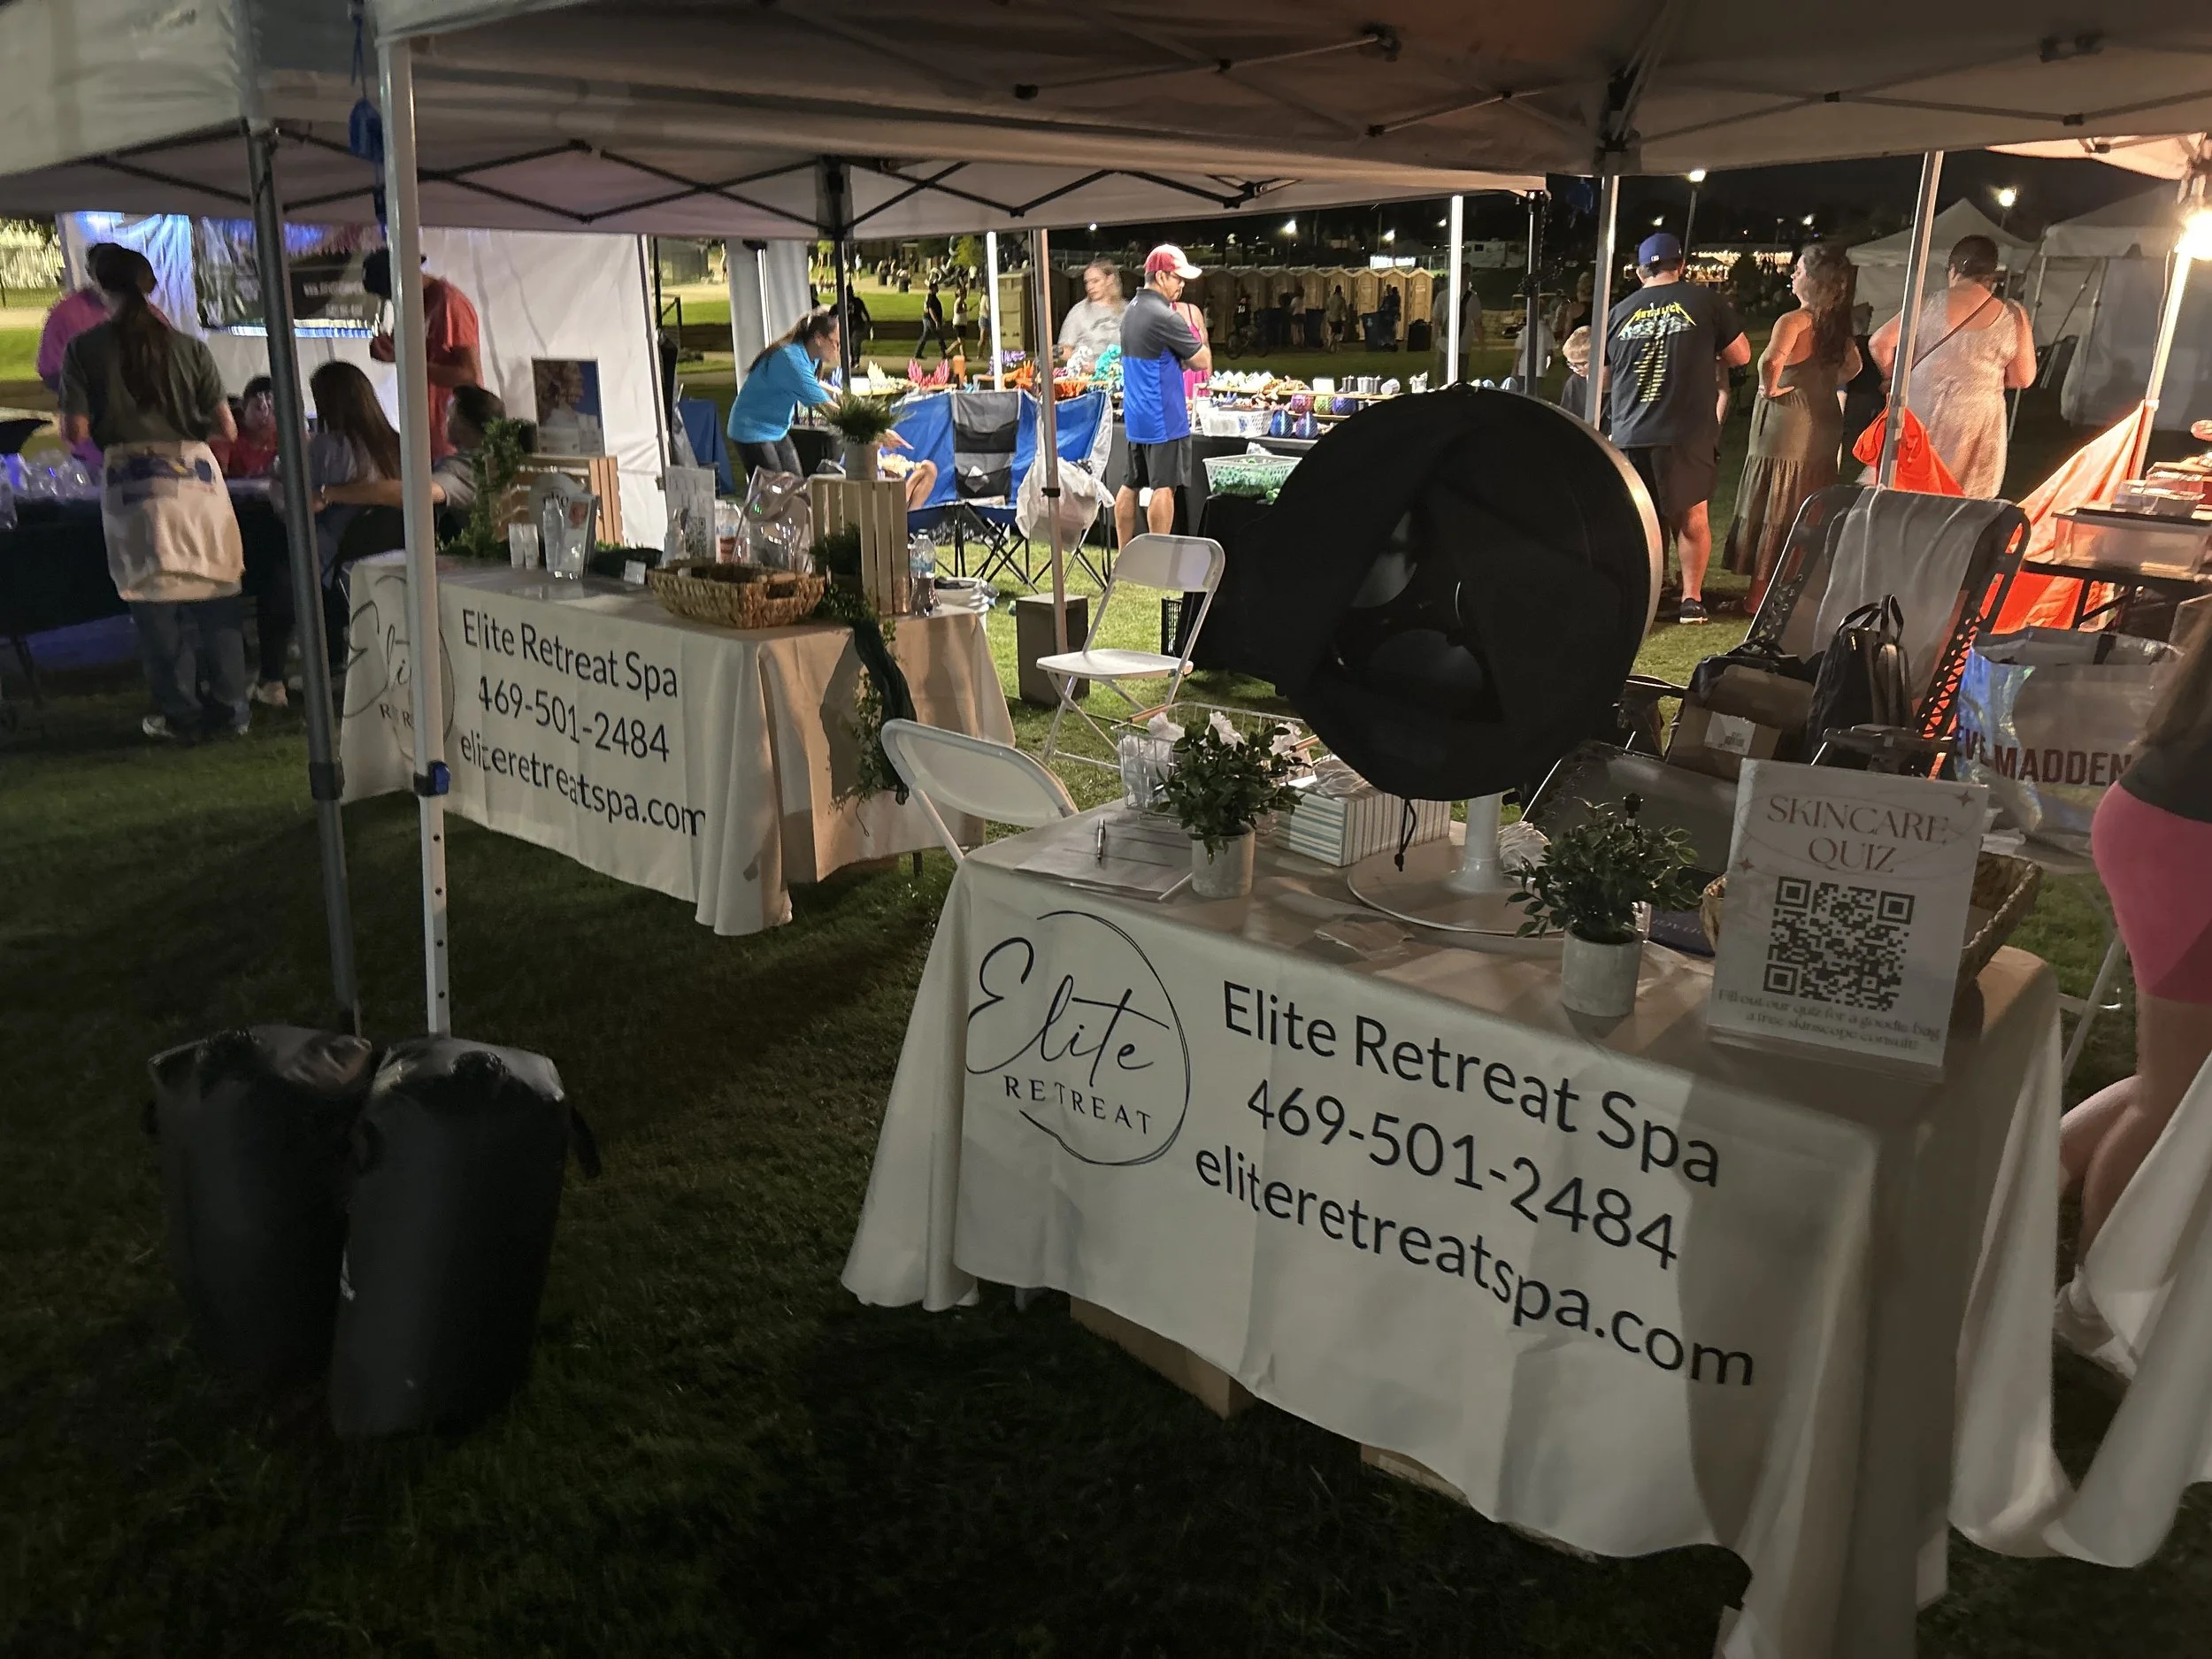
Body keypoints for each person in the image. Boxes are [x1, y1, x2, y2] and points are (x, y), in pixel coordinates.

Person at [2059, 629, 2212, 1280]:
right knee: (2173, 1094)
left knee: (2179, 1072)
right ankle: (2097, 1297)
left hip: (2161, 817)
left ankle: (2035, 1179)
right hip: (2188, 838)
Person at [56, 248, 246, 742]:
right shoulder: (190, 348)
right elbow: (226, 427)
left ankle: (180, 713)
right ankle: (232, 709)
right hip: (198, 481)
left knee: (152, 595)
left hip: (131, 482)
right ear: (151, 285)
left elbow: (73, 430)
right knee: (216, 589)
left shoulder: (84, 350)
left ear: (100, 286)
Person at [1604, 232, 1752, 626]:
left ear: (1640, 272)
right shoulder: (1706, 301)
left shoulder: (1619, 312)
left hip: (1630, 429)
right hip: (1686, 429)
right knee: (1692, 515)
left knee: (1643, 519)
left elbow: (1602, 379)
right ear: (1680, 265)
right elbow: (1741, 355)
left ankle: (1647, 594)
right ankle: (1690, 599)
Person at [1722, 243, 1863, 611]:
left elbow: (1771, 360)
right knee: (1809, 500)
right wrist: (1822, 383)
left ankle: (1757, 597)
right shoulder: (1837, 326)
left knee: (1777, 501)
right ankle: (1800, 588)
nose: (1792, 274)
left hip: (1788, 420)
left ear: (1814, 281)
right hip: (1824, 420)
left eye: (1799, 269)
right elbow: (1854, 368)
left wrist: (1771, 388)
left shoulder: (1793, 321)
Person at [1867, 234, 2035, 498]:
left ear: (1953, 269)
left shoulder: (1927, 303)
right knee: (1964, 497)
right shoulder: (2013, 315)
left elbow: (1879, 343)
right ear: (1992, 274)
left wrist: (1894, 377)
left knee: (1906, 490)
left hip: (1922, 405)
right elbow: (2023, 378)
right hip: (1978, 417)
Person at [1115, 245, 1212, 546]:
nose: (1181, 284)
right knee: (1164, 487)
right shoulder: (1165, 316)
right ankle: (1157, 554)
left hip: (1137, 415)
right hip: (1164, 414)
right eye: (1177, 277)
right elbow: (1202, 360)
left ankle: (1124, 553)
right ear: (1159, 276)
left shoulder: (1131, 310)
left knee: (1130, 484)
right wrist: (1190, 348)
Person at [318, 381, 506, 518]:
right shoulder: (496, 458)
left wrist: (330, 494)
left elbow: (415, 493)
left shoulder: (466, 468)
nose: (444, 421)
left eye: (449, 415)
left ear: (464, 423)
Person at [362, 248, 481, 463]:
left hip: (453, 441)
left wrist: (411, 362)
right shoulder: (412, 306)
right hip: (424, 435)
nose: (391, 301)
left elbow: (469, 374)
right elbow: (395, 351)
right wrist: (386, 349)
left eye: (390, 294)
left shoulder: (449, 302)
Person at [726, 308, 839, 479]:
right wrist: (874, 430)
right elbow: (827, 408)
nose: (838, 349)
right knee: (774, 493)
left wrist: (838, 394)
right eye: (835, 343)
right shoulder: (791, 360)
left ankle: (761, 504)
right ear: (819, 339)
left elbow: (811, 383)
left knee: (795, 489)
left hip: (777, 430)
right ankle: (756, 507)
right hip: (751, 430)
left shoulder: (810, 356)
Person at [1056, 259, 1126, 373]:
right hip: (1087, 380)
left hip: (1121, 379)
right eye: (1087, 282)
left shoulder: (1127, 311)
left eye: (1095, 281)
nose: (1090, 287)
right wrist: (1081, 365)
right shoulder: (1078, 312)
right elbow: (1064, 350)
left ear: (1109, 279)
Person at [213, 375, 280, 479]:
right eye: (258, 407)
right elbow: (220, 477)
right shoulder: (228, 436)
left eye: (271, 409)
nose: (265, 414)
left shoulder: (284, 439)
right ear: (244, 407)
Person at [1555, 326, 1591, 420]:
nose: (1576, 369)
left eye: (1582, 363)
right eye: (1571, 364)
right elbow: (1566, 414)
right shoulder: (1573, 382)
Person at [918, 280, 950, 361]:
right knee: (939, 336)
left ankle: (918, 353)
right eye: (936, 287)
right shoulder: (931, 297)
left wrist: (940, 318)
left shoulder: (932, 297)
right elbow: (931, 310)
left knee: (925, 337)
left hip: (928, 319)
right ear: (933, 288)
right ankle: (945, 353)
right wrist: (936, 321)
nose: (937, 288)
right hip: (930, 320)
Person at [1325, 284, 1348, 353]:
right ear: (1340, 291)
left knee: (1333, 332)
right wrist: (1346, 318)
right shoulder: (1341, 299)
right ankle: (1330, 346)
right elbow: (1344, 310)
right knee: (1336, 334)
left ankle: (1334, 348)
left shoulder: (1330, 299)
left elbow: (1327, 308)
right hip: (1337, 319)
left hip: (1330, 319)